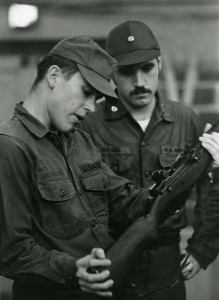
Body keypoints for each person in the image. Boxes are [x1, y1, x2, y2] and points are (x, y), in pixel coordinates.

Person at [0, 35, 157, 300]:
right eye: (86, 92)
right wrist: (74, 269)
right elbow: (12, 251)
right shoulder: (11, 146)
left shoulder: (79, 140)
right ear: (53, 76)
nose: (89, 108)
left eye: (95, 98)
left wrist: (185, 174)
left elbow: (123, 200)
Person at [78, 20, 217, 299]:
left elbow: (206, 190)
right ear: (112, 74)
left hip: (167, 271)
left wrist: (202, 250)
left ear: (160, 64)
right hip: (111, 265)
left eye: (147, 68)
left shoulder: (185, 119)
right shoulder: (89, 123)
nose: (140, 82)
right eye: (127, 72)